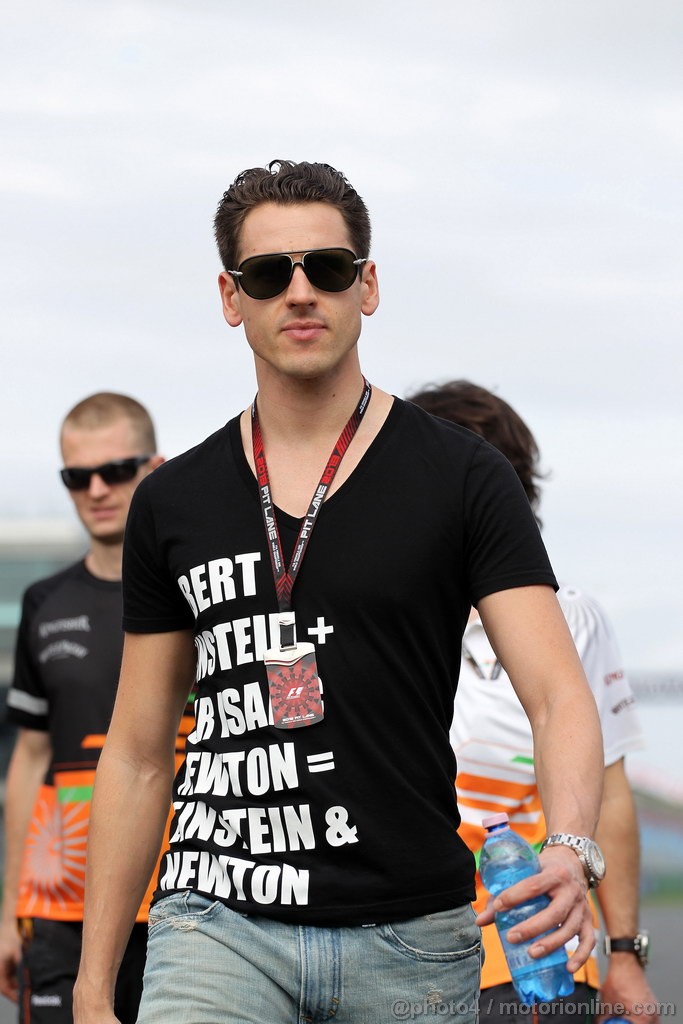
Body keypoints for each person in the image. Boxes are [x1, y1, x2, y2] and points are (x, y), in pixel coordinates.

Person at [74, 160, 605, 1024]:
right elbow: (136, 756)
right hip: (215, 921)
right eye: (266, 274)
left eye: (326, 267)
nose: (298, 292)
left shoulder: (463, 477)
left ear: (367, 285)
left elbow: (555, 695)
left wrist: (572, 848)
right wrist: (96, 987)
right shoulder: (171, 504)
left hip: (408, 935)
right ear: (228, 297)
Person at [407, 379, 658, 1024]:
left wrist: (626, 954)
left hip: (525, 954)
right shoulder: (372, 616)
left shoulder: (570, 619)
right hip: (386, 943)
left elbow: (611, 793)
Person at [0, 393, 169, 1024]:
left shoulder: (201, 593)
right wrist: (8, 912)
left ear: (154, 468)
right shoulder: (44, 603)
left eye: (116, 470)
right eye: (76, 476)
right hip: (59, 906)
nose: (96, 488)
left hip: (185, 900)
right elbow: (28, 762)